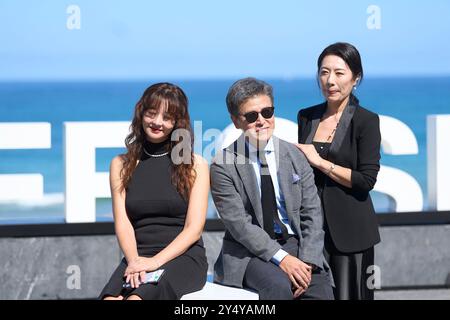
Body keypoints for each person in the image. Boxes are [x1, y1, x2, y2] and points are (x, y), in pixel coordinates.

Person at [211, 77, 334, 300]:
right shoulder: (222, 165)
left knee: (320, 288)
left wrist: (307, 261)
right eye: (251, 116)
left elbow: (312, 213)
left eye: (267, 112)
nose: (261, 121)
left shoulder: (295, 156)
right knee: (277, 286)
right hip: (248, 253)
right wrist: (283, 259)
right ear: (236, 121)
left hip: (295, 245)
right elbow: (239, 226)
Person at [99, 83, 209, 300]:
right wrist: (134, 261)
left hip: (182, 258)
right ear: (141, 114)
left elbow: (193, 229)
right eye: (151, 113)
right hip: (137, 256)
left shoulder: (195, 165)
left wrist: (154, 263)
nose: (157, 122)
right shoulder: (120, 164)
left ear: (178, 122)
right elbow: (123, 222)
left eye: (167, 117)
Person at [296, 42, 381, 300]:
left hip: (351, 232)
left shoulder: (366, 121)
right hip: (311, 231)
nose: (329, 80)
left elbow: (366, 180)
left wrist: (320, 161)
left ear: (356, 78)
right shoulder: (306, 116)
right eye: (324, 72)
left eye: (339, 73)